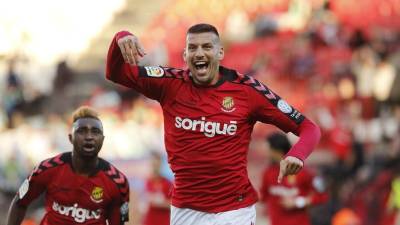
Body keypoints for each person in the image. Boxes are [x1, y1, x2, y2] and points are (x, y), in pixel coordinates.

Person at [106, 23, 321, 225]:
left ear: (220, 53)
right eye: (193, 48)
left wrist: (297, 154)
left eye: (207, 46)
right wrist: (120, 38)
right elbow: (116, 73)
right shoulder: (169, 83)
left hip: (234, 210)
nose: (199, 53)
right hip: (186, 210)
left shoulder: (248, 91)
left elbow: (309, 128)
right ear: (185, 55)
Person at [6, 106, 130, 225]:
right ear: (71, 138)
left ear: (102, 140)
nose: (89, 137)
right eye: (82, 131)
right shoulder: (46, 168)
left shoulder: (118, 182)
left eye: (95, 132)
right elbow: (19, 202)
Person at [260, 132, 328, 225]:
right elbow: (262, 197)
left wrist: (297, 202)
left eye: (269, 150)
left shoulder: (304, 172)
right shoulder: (268, 173)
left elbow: (322, 196)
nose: (266, 153)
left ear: (278, 152)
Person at [143, 151, 172, 225]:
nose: (155, 166)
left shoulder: (167, 183)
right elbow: (146, 202)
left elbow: (173, 204)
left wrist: (160, 202)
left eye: (156, 163)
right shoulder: (147, 182)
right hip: (150, 221)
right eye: (153, 164)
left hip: (164, 221)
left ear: (160, 164)